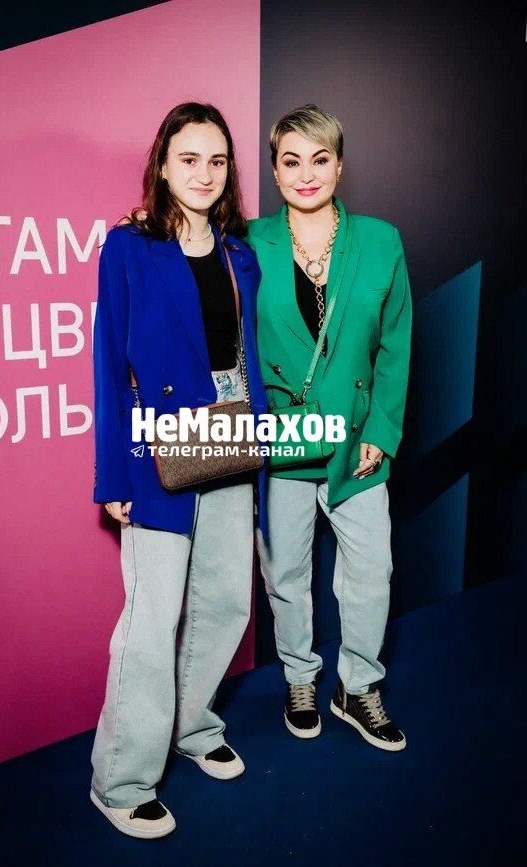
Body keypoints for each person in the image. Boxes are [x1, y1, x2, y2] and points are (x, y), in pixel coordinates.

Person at [90, 102, 267, 839]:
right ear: (163, 165)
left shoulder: (239, 254)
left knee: (226, 602)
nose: (204, 173)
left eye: (216, 160)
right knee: (152, 617)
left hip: (230, 431)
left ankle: (193, 726)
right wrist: (114, 474)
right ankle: (122, 779)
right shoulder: (129, 247)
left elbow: (247, 359)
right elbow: (109, 364)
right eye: (189, 158)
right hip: (158, 441)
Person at [248, 104, 412, 750]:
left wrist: (382, 430)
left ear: (340, 165)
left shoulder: (380, 240)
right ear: (275, 171)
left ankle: (358, 686)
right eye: (291, 161)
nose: (306, 174)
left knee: (371, 572)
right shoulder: (247, 241)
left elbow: (395, 344)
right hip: (280, 441)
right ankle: (299, 677)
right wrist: (144, 226)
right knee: (285, 574)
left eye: (320, 159)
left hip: (355, 442)